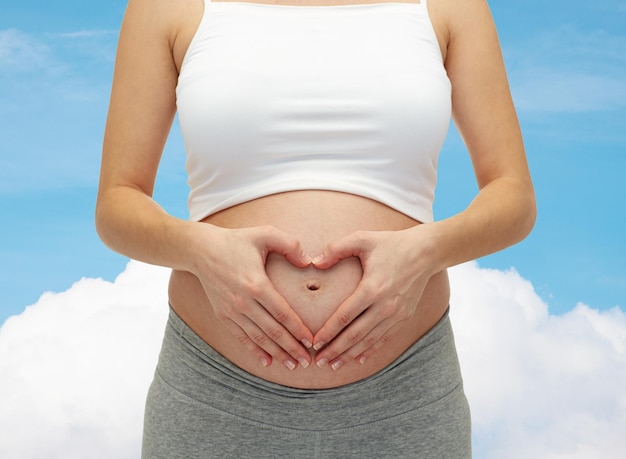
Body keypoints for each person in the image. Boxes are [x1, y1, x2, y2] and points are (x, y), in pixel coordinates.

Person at [96, 0, 535, 456]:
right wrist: (199, 251)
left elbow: (514, 197)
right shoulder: (166, 7)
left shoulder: (451, 7)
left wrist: (426, 251)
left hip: (405, 393)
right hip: (215, 393)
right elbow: (117, 203)